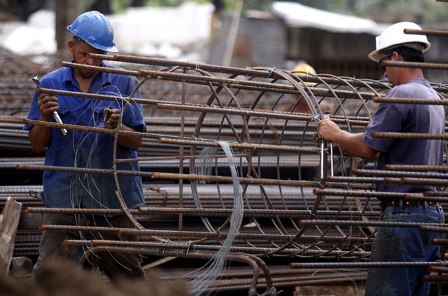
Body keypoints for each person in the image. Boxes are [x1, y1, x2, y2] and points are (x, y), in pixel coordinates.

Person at [318, 22, 445, 296]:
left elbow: (368, 147)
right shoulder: (433, 97)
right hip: (432, 215)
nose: (384, 74)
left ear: (396, 57)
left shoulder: (403, 94)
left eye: (384, 65)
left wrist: (336, 134)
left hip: (404, 216)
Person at [25, 11, 146, 280]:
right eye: (85, 54)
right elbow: (36, 145)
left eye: (99, 55)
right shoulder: (49, 85)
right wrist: (44, 118)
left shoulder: (124, 83)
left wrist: (117, 128)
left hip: (112, 200)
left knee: (129, 279)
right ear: (72, 47)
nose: (92, 61)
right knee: (49, 278)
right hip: (64, 201)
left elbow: (137, 141)